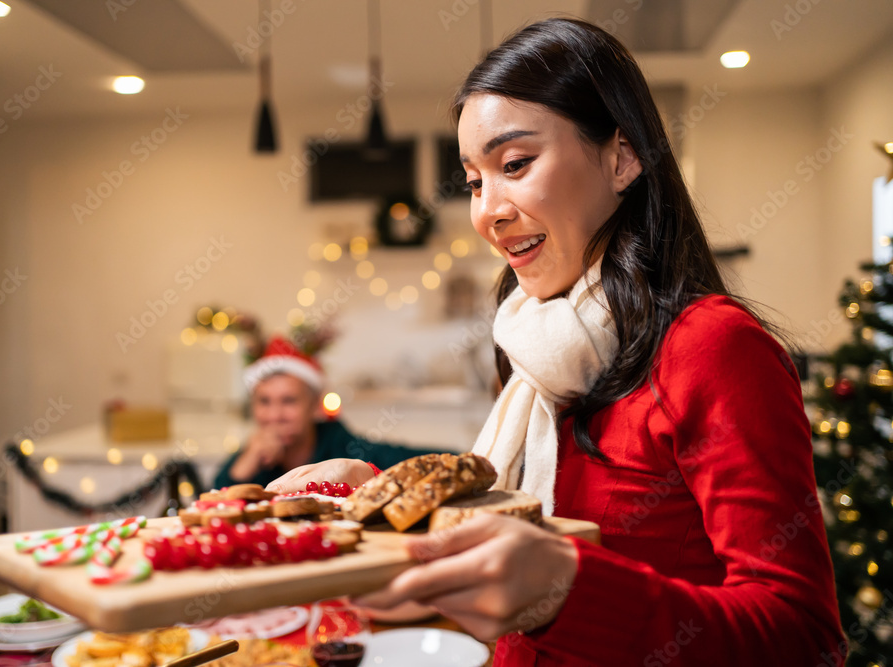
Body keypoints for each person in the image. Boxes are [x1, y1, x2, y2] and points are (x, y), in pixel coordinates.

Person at [269, 17, 846, 666]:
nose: (488, 212)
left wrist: (568, 590)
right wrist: (382, 497)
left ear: (622, 156)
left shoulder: (714, 348)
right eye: (474, 181)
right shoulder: (539, 345)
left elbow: (805, 640)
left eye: (515, 164)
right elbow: (513, 542)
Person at [212, 335, 444, 490]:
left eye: (289, 401)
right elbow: (210, 503)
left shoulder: (348, 450)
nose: (275, 415)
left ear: (314, 406)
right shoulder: (252, 453)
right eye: (264, 401)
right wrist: (245, 466)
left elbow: (429, 464)